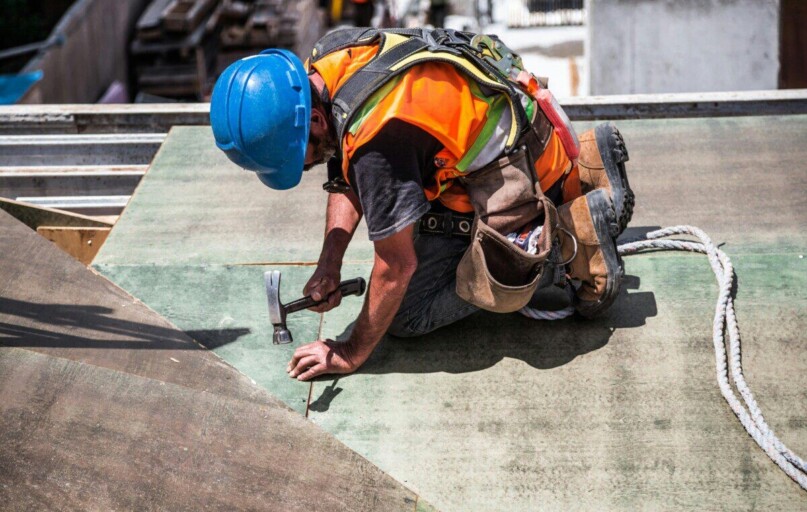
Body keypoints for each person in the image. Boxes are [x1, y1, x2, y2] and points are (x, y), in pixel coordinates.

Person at [210, 28, 634, 381]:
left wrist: (350, 351)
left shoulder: (379, 142)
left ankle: (568, 241)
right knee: (402, 219)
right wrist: (330, 262)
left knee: (406, 315)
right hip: (526, 135)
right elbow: (345, 168)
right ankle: (588, 166)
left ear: (315, 120)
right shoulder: (330, 59)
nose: (302, 170)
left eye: (296, 159)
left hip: (520, 178)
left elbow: (396, 267)